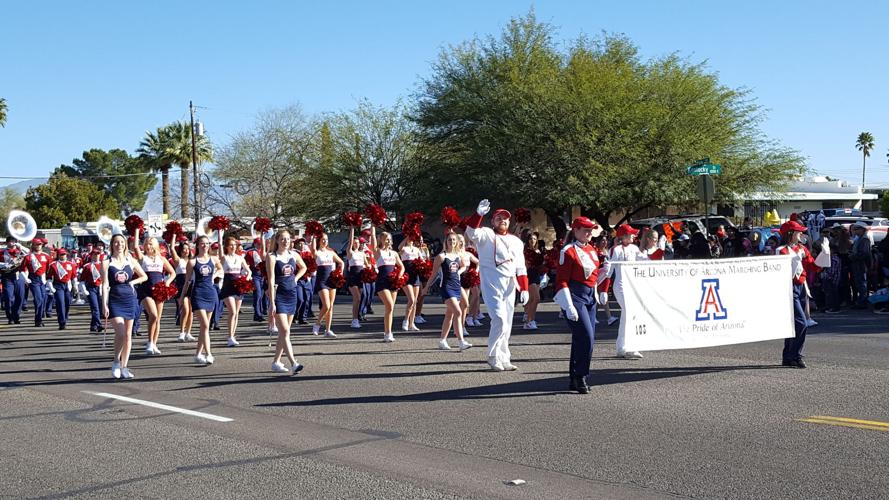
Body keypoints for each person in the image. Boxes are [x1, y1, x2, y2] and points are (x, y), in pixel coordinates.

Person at [464, 200, 530, 372]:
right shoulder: (486, 234)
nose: (503, 221)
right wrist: (478, 215)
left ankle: (504, 356)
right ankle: (493, 356)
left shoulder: (516, 241)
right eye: (499, 218)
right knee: (499, 318)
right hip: (492, 282)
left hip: (509, 283)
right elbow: (471, 232)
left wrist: (524, 288)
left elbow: (520, 266)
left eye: (506, 219)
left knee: (507, 322)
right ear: (493, 221)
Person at [554, 217, 600, 394]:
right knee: (587, 338)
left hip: (589, 297)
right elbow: (561, 281)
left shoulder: (591, 249)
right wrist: (568, 305)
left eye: (590, 230)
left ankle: (575, 376)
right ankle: (581, 375)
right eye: (585, 230)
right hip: (575, 296)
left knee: (581, 338)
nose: (589, 233)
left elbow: (592, 276)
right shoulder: (568, 251)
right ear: (575, 230)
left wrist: (602, 283)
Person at [102, 233, 148, 379]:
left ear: (125, 244)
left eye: (122, 242)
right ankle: (116, 361)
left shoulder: (131, 260)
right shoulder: (106, 262)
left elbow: (144, 276)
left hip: (130, 299)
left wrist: (132, 283)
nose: (119, 245)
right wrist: (104, 304)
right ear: (112, 245)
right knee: (120, 333)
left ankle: (125, 367)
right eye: (116, 242)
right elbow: (105, 285)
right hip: (115, 300)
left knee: (128, 335)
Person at [599, 224, 644, 359]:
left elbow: (644, 260)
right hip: (620, 286)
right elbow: (609, 270)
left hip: (632, 286)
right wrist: (604, 291)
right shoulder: (616, 250)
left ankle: (622, 347)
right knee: (629, 312)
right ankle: (628, 347)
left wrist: (657, 253)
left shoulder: (634, 248)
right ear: (623, 236)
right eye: (631, 234)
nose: (633, 235)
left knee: (628, 314)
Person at [266, 230, 308, 375]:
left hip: (292, 294)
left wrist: (295, 279)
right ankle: (293, 363)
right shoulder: (272, 257)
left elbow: (304, 267)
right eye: (282, 239)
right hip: (279, 296)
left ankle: (276, 362)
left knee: (285, 333)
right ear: (277, 240)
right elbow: (271, 281)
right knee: (284, 331)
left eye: (288, 239)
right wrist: (272, 302)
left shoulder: (294, 255)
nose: (285, 242)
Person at [422, 232, 472, 351]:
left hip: (456, 286)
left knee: (449, 315)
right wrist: (426, 287)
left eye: (454, 240)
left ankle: (442, 340)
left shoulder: (458, 256)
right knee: (458, 312)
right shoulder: (441, 257)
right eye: (450, 240)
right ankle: (461, 341)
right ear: (446, 242)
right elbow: (433, 274)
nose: (452, 242)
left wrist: (459, 272)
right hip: (446, 287)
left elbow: (464, 266)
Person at [776, 220, 815, 368]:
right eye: (798, 231)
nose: (801, 233)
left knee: (793, 324)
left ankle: (788, 356)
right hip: (789, 288)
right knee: (801, 323)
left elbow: (813, 266)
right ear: (791, 234)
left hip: (801, 287)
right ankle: (795, 355)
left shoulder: (802, 248)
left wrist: (825, 256)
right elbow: (781, 272)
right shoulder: (781, 251)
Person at [183, 236, 223, 365]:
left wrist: (215, 276)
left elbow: (221, 269)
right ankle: (209, 354)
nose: (205, 246)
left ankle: (197, 354)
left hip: (210, 293)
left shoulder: (213, 259)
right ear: (198, 245)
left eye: (207, 243)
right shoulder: (193, 262)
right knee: (205, 325)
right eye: (202, 243)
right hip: (198, 293)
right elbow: (187, 281)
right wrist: (182, 296)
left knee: (204, 328)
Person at [134, 233, 176, 355]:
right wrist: (137, 230)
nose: (148, 245)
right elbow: (136, 247)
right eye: (146, 243)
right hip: (146, 289)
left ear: (156, 245)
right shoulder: (142, 258)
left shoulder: (161, 259)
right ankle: (149, 342)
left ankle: (154, 344)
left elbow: (173, 273)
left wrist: (167, 282)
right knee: (153, 315)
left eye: (151, 243)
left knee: (158, 319)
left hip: (160, 290)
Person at [219, 236, 252, 346]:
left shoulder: (240, 257)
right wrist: (220, 233)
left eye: (234, 245)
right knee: (232, 312)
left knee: (236, 313)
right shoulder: (224, 257)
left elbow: (249, 271)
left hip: (239, 286)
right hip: (228, 286)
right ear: (227, 247)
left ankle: (232, 335)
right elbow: (219, 245)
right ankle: (230, 336)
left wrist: (246, 279)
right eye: (230, 245)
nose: (233, 247)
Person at [311, 232, 344, 338]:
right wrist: (313, 237)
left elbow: (341, 262)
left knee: (330, 307)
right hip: (322, 281)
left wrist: (340, 273)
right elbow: (313, 250)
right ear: (319, 241)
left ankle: (328, 330)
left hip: (332, 280)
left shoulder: (331, 252)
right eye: (323, 239)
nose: (325, 241)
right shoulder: (317, 252)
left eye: (326, 239)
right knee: (326, 305)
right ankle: (317, 323)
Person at [374, 231, 405, 342]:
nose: (388, 241)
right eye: (386, 239)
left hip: (393, 282)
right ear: (381, 240)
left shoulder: (394, 253)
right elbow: (373, 239)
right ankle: (388, 333)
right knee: (390, 305)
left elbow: (401, 267)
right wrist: (373, 226)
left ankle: (388, 333)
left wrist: (399, 276)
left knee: (390, 309)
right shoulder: (378, 252)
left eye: (389, 239)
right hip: (382, 282)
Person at [21, 237, 50, 327]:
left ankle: (40, 316)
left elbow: (50, 269)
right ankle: (38, 320)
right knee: (39, 299)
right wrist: (26, 279)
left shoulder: (46, 256)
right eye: (36, 244)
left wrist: (49, 280)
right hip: (33, 280)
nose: (38, 246)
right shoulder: (28, 257)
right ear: (33, 245)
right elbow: (22, 269)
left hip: (43, 279)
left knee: (43, 299)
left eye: (40, 244)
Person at [170, 239, 195, 341]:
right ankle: (181, 332)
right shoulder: (178, 261)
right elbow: (171, 248)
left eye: (188, 249)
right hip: (181, 286)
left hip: (191, 285)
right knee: (185, 309)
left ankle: (188, 332)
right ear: (180, 250)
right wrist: (174, 234)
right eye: (184, 249)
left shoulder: (192, 261)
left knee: (191, 311)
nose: (186, 251)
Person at [46, 248, 76, 330]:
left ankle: (65, 318)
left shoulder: (71, 264)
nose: (63, 256)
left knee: (67, 303)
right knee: (60, 303)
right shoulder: (53, 265)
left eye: (64, 254)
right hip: (58, 285)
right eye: (61, 255)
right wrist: (51, 287)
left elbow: (74, 277)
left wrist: (75, 287)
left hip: (68, 285)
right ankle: (61, 322)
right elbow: (48, 277)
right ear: (58, 255)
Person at [398, 234, 423, 332]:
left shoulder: (417, 250)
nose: (410, 239)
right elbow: (399, 247)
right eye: (409, 238)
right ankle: (405, 321)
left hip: (415, 276)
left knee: (415, 301)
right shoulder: (404, 248)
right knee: (411, 300)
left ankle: (412, 323)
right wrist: (407, 236)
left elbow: (422, 260)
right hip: (406, 275)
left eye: (412, 238)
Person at [345, 227, 368, 329]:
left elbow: (367, 265)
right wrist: (352, 229)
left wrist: (371, 270)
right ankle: (354, 320)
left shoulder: (362, 254)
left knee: (359, 299)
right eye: (354, 242)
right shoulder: (350, 253)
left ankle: (356, 318)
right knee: (357, 298)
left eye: (358, 242)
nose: (356, 244)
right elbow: (349, 243)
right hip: (352, 277)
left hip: (361, 277)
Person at [522, 232, 544, 330]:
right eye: (531, 239)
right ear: (527, 240)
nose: (533, 240)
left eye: (534, 239)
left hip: (536, 274)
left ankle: (530, 320)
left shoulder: (538, 251)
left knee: (532, 299)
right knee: (536, 298)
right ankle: (529, 320)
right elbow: (525, 264)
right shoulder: (525, 251)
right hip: (529, 274)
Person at [1, 237, 25, 325]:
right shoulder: (2, 252)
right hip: (7, 276)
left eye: (14, 241)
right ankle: (10, 317)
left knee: (20, 297)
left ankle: (16, 315)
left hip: (19, 276)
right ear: (7, 243)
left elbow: (29, 254)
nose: (12, 243)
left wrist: (21, 247)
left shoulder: (20, 251)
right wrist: (5, 265)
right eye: (10, 242)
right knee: (8, 297)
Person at [80, 249, 104, 332]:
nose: (96, 255)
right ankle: (99, 324)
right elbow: (82, 279)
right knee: (95, 307)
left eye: (98, 254)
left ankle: (93, 326)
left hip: (101, 287)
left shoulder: (103, 265)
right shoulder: (87, 266)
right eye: (94, 254)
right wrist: (83, 290)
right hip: (91, 288)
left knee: (100, 308)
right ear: (91, 255)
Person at [849, 222, 872, 309]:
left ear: (862, 229)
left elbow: (864, 254)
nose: (855, 231)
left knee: (862, 284)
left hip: (862, 265)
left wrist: (853, 256)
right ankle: (861, 301)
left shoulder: (864, 240)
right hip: (857, 265)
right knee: (859, 284)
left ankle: (863, 303)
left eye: (857, 229)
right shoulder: (859, 239)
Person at [245, 238, 268, 322]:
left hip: (263, 275)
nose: (259, 245)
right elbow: (246, 264)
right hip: (255, 274)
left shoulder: (264, 252)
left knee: (262, 295)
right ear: (254, 244)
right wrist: (248, 275)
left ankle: (259, 314)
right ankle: (257, 313)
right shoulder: (250, 252)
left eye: (260, 244)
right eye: (258, 243)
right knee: (258, 294)